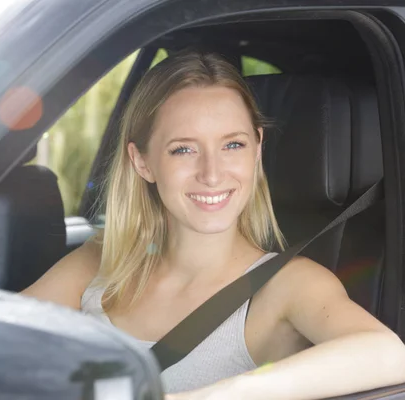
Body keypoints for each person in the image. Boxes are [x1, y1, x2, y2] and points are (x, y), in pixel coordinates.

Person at [22, 50, 405, 399]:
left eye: (232, 145)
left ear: (258, 148)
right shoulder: (99, 262)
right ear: (142, 162)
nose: (212, 173)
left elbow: (388, 354)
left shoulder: (288, 286)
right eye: (184, 149)